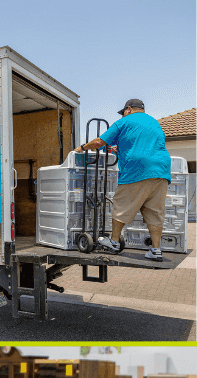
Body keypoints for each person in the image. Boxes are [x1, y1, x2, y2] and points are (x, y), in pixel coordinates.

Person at [74, 98, 171, 260]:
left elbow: (99, 142)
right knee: (155, 212)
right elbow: (147, 145)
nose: (122, 116)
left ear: (129, 109)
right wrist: (121, 149)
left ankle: (114, 241)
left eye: (123, 113)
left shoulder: (124, 122)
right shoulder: (154, 123)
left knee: (121, 206)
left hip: (138, 170)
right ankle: (156, 250)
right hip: (161, 171)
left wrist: (81, 148)